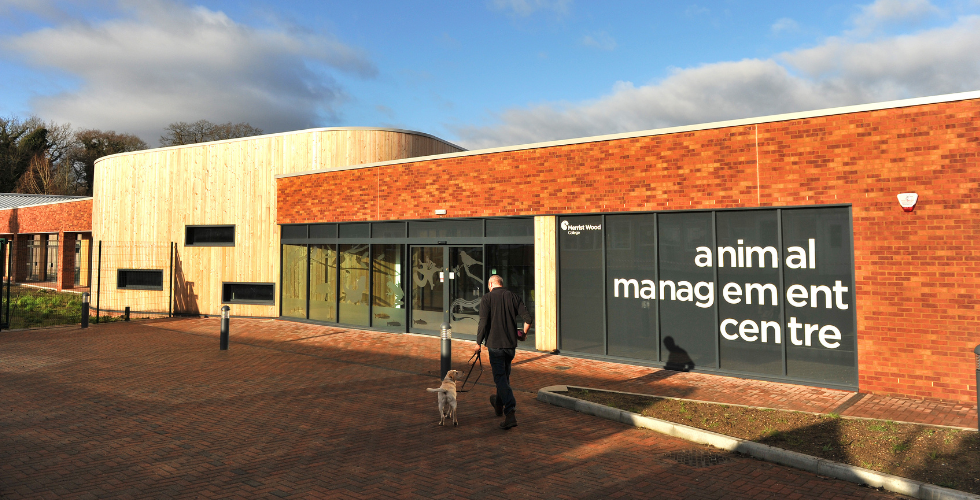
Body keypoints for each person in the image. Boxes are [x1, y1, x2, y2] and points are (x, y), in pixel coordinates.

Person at [473, 274, 532, 430]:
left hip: (495, 345)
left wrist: (478, 343)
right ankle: (498, 404)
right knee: (504, 377)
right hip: (510, 345)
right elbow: (528, 319)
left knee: (500, 378)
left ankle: (510, 411)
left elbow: (483, 322)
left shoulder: (487, 298)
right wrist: (524, 334)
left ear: (491, 284)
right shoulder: (513, 296)